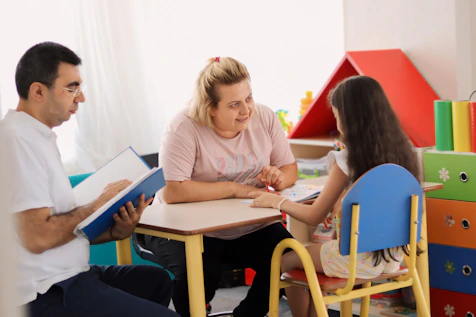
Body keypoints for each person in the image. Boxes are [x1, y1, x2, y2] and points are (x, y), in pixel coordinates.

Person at [0, 42, 178, 317]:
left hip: (70, 273)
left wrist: (113, 232)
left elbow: (56, 227)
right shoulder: (16, 142)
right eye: (72, 88)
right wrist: (98, 204)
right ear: (38, 91)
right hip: (45, 290)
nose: (80, 98)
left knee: (156, 282)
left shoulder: (38, 137)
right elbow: (37, 237)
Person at [249, 75, 420, 317]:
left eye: (337, 115)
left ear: (349, 118)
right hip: (391, 258)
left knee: (287, 258)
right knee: (313, 257)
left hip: (355, 260)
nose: (336, 121)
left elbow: (313, 216)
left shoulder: (347, 159)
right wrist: (343, 198)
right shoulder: (403, 154)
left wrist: (278, 201)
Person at [144, 57, 298, 317]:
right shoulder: (183, 127)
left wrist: (279, 178)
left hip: (246, 224)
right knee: (202, 273)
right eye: (234, 104)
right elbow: (174, 191)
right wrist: (235, 189)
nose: (246, 110)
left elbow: (289, 168)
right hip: (188, 229)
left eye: (248, 98)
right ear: (210, 108)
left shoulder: (264, 116)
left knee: (290, 259)